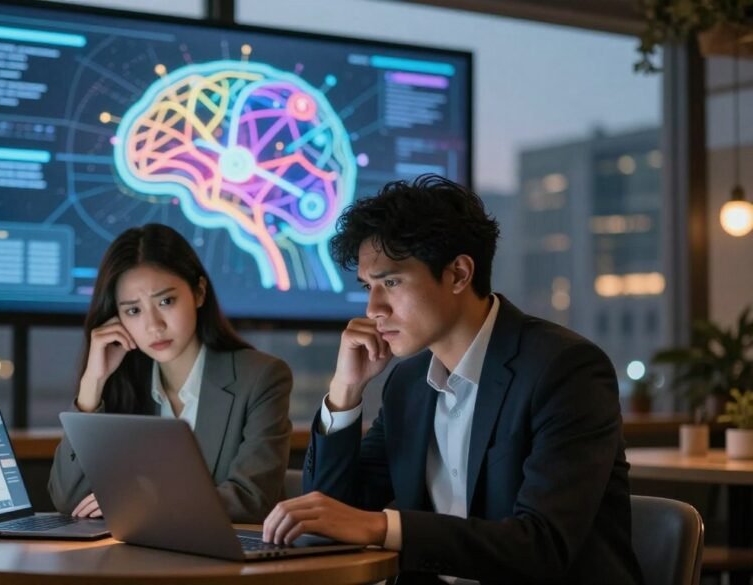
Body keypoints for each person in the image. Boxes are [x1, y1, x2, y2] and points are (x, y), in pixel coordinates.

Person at [261, 175, 642, 584]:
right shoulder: (407, 383)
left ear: (459, 274)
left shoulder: (565, 370)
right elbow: (328, 516)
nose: (373, 308)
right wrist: (345, 391)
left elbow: (541, 546)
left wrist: (381, 527)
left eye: (390, 282)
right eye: (368, 287)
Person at [49, 223, 293, 524]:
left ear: (199, 292)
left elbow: (251, 499)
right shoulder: (124, 384)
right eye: (133, 311)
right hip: (137, 564)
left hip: (229, 565)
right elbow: (68, 498)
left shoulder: (261, 377)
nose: (154, 326)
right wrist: (92, 385)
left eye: (166, 301)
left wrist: (141, 502)